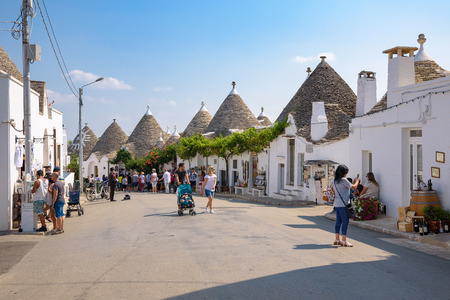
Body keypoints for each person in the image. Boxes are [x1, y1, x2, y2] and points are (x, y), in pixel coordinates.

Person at [333, 165, 360, 247]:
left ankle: (337, 239)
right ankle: (344, 241)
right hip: (344, 204)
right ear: (344, 173)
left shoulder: (335, 180)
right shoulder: (344, 180)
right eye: (346, 172)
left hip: (337, 203)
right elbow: (353, 187)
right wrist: (357, 181)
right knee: (345, 222)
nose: (346, 174)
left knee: (338, 221)